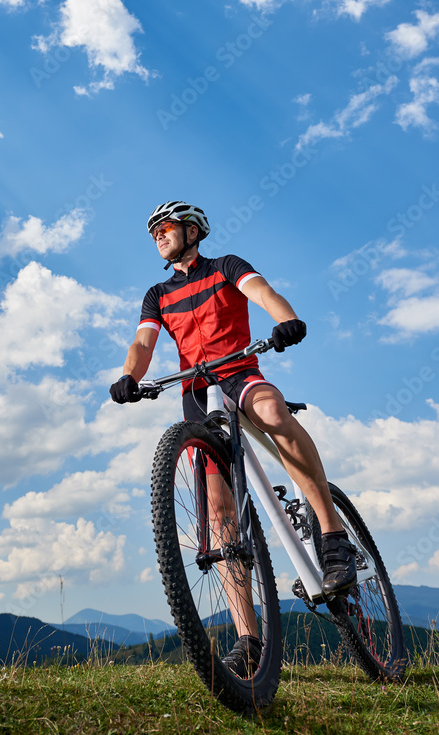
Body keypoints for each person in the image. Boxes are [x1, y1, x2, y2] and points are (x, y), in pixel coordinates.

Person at [110, 201, 357, 678]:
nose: (158, 236)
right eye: (153, 233)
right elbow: (143, 343)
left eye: (166, 228)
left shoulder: (225, 266)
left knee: (270, 410)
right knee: (220, 514)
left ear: (193, 230)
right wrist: (128, 376)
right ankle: (248, 638)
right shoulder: (157, 293)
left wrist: (286, 319)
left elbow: (261, 291)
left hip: (239, 371)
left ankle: (332, 535)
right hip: (197, 393)